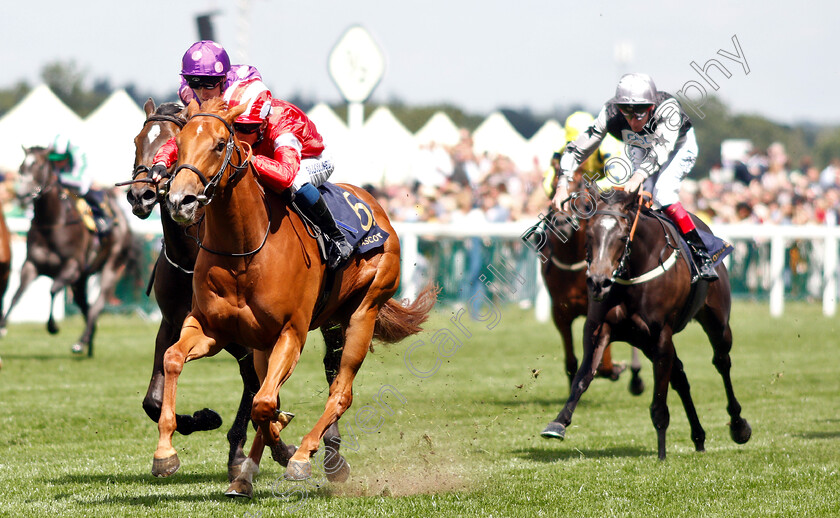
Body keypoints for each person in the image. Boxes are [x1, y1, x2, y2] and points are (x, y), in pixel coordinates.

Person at [152, 78, 352, 269]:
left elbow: (286, 175)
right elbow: (194, 139)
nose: (239, 134)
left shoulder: (284, 125)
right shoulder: (225, 112)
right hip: (265, 154)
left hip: (310, 159)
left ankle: (336, 237)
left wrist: (251, 158)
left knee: (296, 183)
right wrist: (161, 160)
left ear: (264, 123)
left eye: (247, 128)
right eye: (235, 127)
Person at [551, 73, 718, 282]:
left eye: (640, 112)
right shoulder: (609, 113)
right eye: (627, 112)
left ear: (651, 106)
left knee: (662, 193)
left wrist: (639, 176)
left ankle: (702, 254)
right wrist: (562, 183)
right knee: (635, 199)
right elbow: (578, 148)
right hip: (640, 146)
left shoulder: (668, 109)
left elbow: (661, 151)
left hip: (677, 147)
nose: (633, 120)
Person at [542, 111, 622, 198]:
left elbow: (616, 181)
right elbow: (547, 184)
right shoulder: (561, 149)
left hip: (603, 193)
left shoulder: (607, 145)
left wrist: (588, 189)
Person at [47, 135, 111, 233]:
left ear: (68, 156)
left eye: (60, 160)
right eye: (54, 160)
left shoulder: (79, 156)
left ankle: (103, 218)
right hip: (63, 186)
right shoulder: (50, 158)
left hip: (82, 187)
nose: (57, 163)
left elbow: (82, 184)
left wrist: (59, 178)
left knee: (93, 194)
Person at [177, 40, 261, 107]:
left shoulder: (244, 87)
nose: (203, 94)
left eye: (209, 86)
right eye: (195, 85)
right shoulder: (188, 95)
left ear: (224, 78)